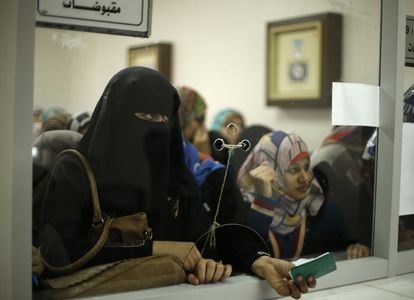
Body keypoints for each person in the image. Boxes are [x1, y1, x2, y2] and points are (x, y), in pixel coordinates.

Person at [37, 67, 315, 298]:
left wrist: (257, 260)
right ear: (117, 116)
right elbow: (60, 250)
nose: (156, 128)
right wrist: (156, 247)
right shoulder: (75, 169)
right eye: (145, 117)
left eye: (163, 119)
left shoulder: (172, 176)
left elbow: (206, 236)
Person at [238, 131, 369, 260]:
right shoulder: (244, 214)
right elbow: (247, 257)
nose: (305, 178)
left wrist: (357, 250)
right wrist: (264, 202)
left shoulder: (323, 211)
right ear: (271, 170)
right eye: (293, 170)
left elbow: (344, 252)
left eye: (306, 167)